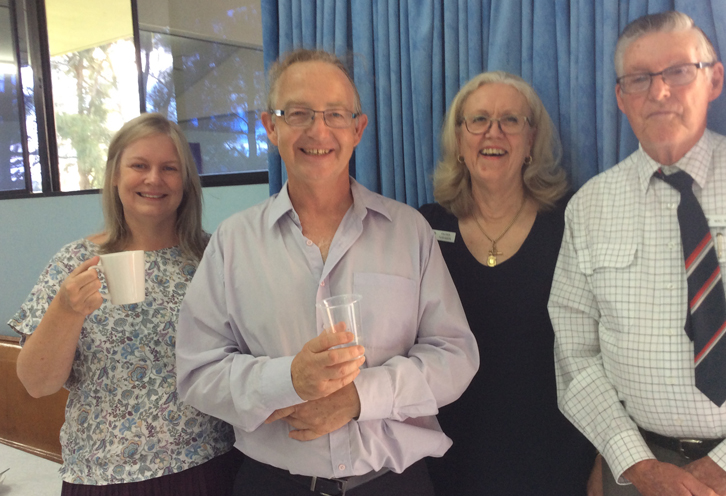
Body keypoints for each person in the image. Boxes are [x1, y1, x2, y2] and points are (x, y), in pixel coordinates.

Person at [174, 48, 479, 496]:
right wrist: (288, 381)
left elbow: (455, 356)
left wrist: (359, 397)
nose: (318, 131)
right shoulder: (232, 242)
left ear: (358, 129)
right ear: (271, 126)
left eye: (335, 114)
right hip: (273, 484)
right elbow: (197, 372)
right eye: (298, 113)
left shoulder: (409, 231)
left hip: (393, 483)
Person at [550, 10, 726, 496]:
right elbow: (575, 354)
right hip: (635, 471)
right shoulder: (590, 206)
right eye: (639, 78)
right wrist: (637, 463)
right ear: (621, 97)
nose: (660, 91)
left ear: (714, 79)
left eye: (679, 71)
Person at [10, 113, 239, 495]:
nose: (154, 179)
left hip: (209, 463)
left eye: (169, 168)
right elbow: (36, 384)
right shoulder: (75, 262)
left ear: (186, 181)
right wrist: (66, 310)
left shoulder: (214, 256)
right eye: (139, 166)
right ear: (115, 175)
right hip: (105, 476)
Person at [419, 71, 597, 495]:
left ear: (531, 140)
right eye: (478, 119)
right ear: (459, 140)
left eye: (510, 120)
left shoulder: (573, 223)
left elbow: (605, 351)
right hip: (450, 460)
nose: (493, 132)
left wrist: (602, 461)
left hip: (556, 459)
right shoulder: (423, 228)